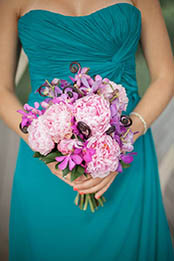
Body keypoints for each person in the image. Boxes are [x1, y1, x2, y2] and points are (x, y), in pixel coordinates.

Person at [0, 0, 174, 260]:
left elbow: (165, 75)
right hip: (46, 158)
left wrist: (118, 143)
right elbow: (1, 91)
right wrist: (43, 142)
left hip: (126, 155)